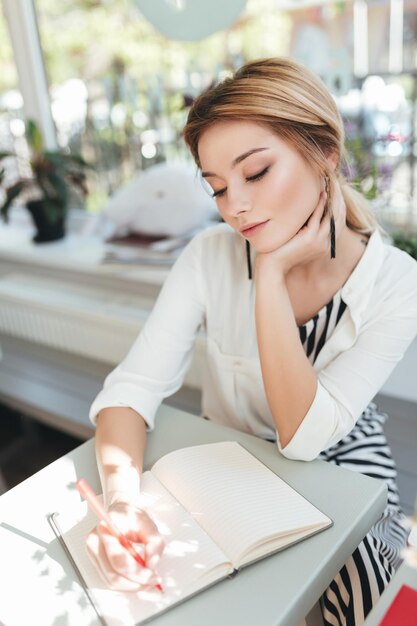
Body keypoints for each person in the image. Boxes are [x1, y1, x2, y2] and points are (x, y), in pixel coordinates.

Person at [86, 57, 417, 625]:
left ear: (325, 156)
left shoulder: (398, 282)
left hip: (343, 459)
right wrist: (120, 505)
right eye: (217, 189)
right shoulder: (206, 257)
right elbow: (132, 389)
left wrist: (269, 275)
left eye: (256, 173)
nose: (234, 206)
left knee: (362, 601)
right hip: (232, 462)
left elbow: (305, 437)